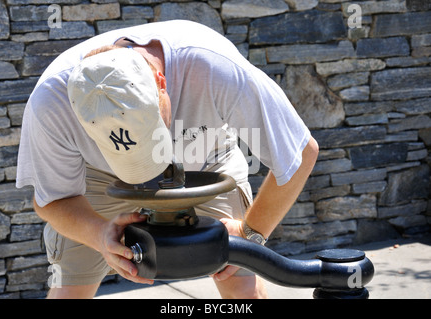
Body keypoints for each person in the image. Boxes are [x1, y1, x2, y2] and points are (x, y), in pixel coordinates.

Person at [16, 20, 318, 299]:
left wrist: (251, 232)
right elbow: (52, 199)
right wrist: (99, 234)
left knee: (242, 289)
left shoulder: (215, 67)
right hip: (101, 175)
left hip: (205, 156)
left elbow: (300, 153)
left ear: (161, 81)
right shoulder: (50, 103)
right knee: (69, 292)